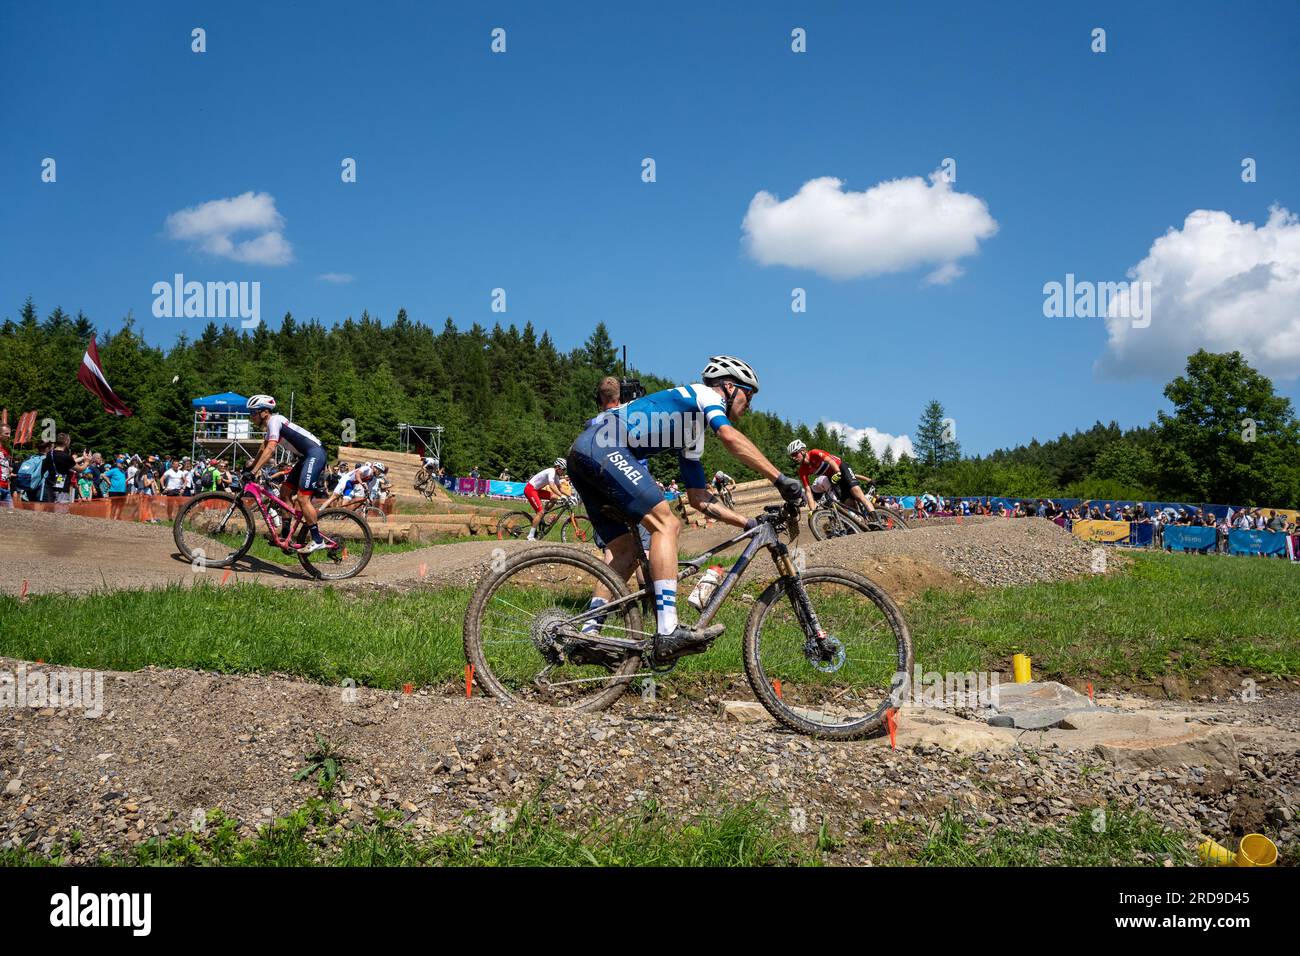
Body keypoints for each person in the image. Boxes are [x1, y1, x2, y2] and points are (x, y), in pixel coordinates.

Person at [567, 355, 802, 661]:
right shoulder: (704, 395)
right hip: (604, 446)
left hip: (583, 452)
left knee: (624, 552)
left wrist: (746, 523)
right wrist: (780, 479)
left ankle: (587, 633)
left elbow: (698, 498)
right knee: (667, 524)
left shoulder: (691, 432)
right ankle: (668, 631)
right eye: (749, 394)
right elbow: (730, 436)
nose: (750, 404)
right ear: (729, 387)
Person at [243, 394, 329, 553]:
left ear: (264, 413)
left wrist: (254, 472)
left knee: (303, 498)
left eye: (253, 413)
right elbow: (263, 448)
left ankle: (318, 540)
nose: (251, 417)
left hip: (315, 454)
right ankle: (286, 534)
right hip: (306, 457)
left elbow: (270, 449)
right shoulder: (270, 426)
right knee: (285, 491)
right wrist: (251, 468)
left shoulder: (275, 420)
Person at [787, 440, 875, 517]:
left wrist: (838, 472)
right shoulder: (802, 470)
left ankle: (875, 518)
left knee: (857, 493)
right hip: (833, 478)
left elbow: (830, 461)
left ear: (803, 450)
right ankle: (862, 523)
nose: (794, 458)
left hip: (841, 468)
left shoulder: (814, 453)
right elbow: (808, 491)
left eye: (795, 454)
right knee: (848, 503)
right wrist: (812, 510)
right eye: (791, 456)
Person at [524, 459, 570, 540]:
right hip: (530, 489)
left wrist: (570, 495)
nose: (564, 472)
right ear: (558, 467)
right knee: (540, 512)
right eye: (563, 469)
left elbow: (560, 488)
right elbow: (552, 486)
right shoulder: (551, 472)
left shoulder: (556, 476)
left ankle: (542, 514)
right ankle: (530, 536)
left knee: (554, 497)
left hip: (536, 490)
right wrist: (561, 496)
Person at [0, 423, 12, 510]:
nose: (9, 436)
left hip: (6, 488)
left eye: (9, 433)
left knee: (11, 514)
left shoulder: (6, 451)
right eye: (6, 433)